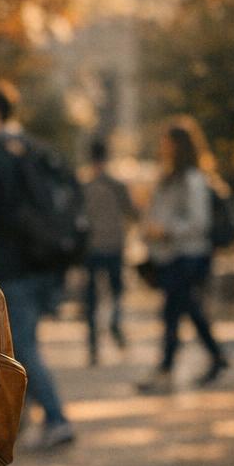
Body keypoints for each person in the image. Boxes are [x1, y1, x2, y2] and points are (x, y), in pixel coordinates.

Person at [0, 84, 75, 450]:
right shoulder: (34, 150)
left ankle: (57, 420)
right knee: (19, 344)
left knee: (21, 347)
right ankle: (18, 422)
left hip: (12, 268)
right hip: (45, 262)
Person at [137, 118, 229, 392]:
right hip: (170, 256)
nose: (163, 147)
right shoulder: (168, 177)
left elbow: (198, 222)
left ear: (179, 145)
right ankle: (215, 356)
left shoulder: (193, 179)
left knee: (174, 311)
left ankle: (167, 368)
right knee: (185, 309)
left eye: (168, 142)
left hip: (189, 256)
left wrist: (166, 230)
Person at [82, 137, 136, 364]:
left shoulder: (84, 187)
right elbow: (132, 213)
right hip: (114, 246)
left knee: (92, 299)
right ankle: (115, 324)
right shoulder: (118, 186)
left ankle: (94, 346)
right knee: (116, 293)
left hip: (91, 247)